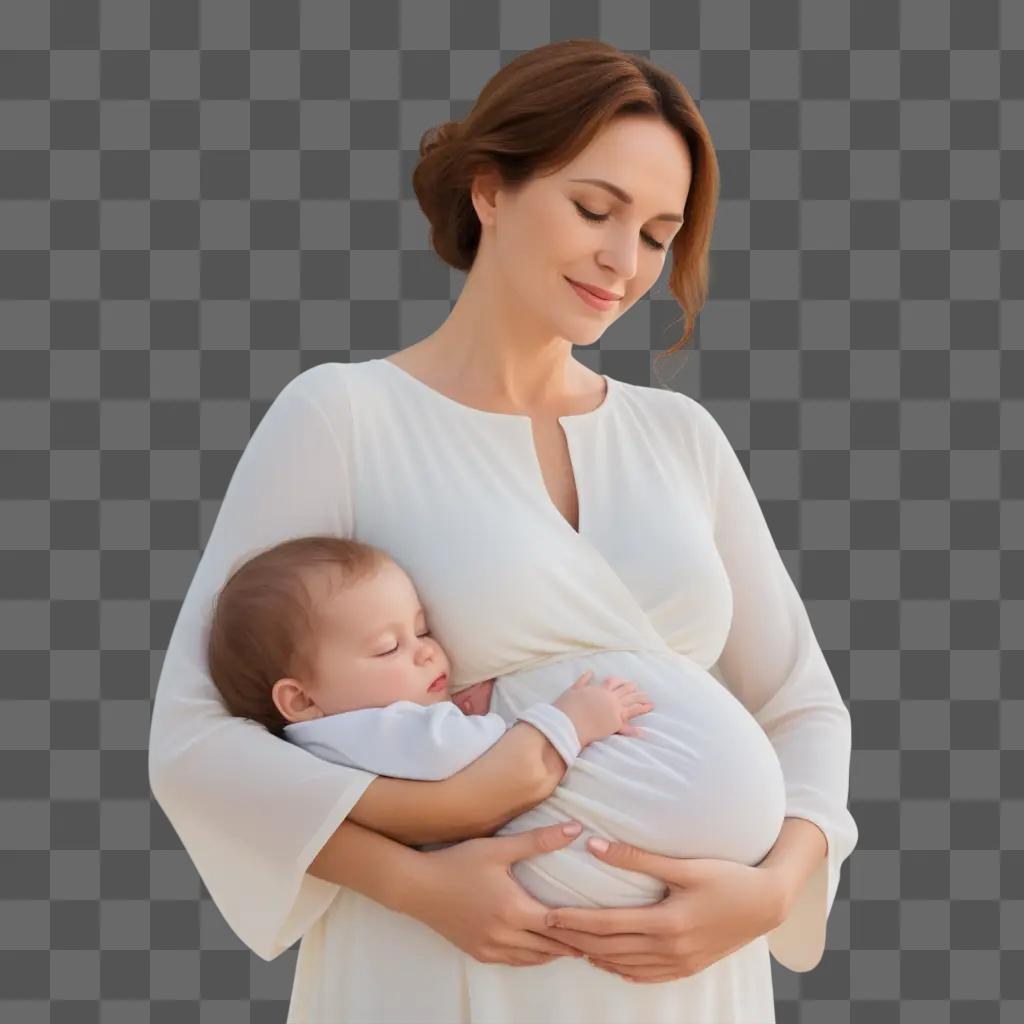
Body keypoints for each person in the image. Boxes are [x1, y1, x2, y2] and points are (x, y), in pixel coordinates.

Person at [148, 38, 859, 1023]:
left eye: (658, 232)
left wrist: (772, 888)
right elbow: (193, 740)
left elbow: (802, 710)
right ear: (489, 189)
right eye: (594, 209)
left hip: (690, 989)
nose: (624, 261)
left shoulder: (680, 435)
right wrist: (414, 884)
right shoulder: (345, 417)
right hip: (440, 975)